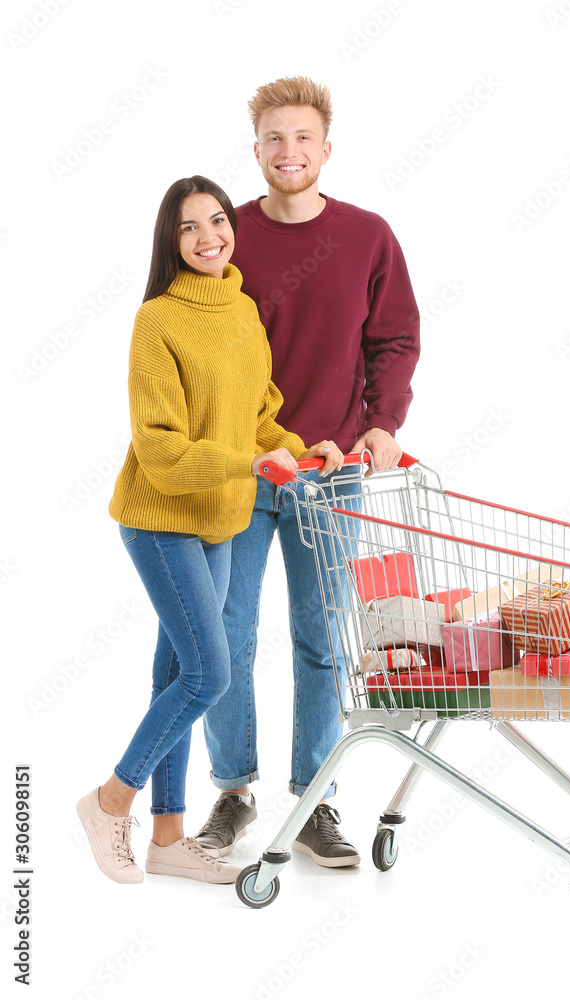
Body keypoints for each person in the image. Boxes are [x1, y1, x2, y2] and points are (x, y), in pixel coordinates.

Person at [76, 175, 343, 884]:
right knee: (208, 673)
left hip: (220, 520)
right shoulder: (157, 321)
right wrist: (247, 461)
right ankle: (109, 802)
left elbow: (258, 416)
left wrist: (300, 444)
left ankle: (167, 837)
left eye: (216, 221)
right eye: (189, 227)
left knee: (174, 673)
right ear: (171, 240)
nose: (207, 237)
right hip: (161, 521)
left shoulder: (243, 309)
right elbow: (160, 446)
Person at [196, 76, 421, 867]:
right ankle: (231, 792)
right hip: (241, 471)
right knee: (224, 637)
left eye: (302, 138)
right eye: (272, 139)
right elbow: (201, 349)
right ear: (254, 150)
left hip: (332, 473)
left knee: (321, 640)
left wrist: (380, 425)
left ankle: (316, 798)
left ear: (326, 149)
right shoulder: (228, 240)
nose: (287, 152)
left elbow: (392, 341)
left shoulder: (367, 237)